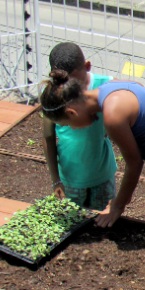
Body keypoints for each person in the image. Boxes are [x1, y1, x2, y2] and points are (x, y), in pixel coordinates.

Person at [39, 72, 145, 230]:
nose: (73, 128)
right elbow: (138, 88)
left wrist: (117, 206)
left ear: (72, 112)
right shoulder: (109, 87)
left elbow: (134, 163)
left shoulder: (113, 115)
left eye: (68, 125)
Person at [41, 42, 116, 210]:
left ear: (87, 66)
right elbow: (48, 136)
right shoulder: (52, 95)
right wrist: (56, 180)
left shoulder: (106, 85)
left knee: (102, 223)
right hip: (70, 178)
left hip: (102, 176)